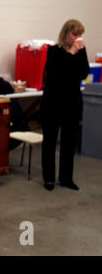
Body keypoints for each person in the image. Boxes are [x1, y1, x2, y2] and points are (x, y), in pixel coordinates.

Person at [41, 19, 89, 191]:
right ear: (66, 33)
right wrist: (72, 52)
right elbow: (57, 74)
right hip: (53, 102)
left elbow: (83, 72)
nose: (77, 38)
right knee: (50, 141)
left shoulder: (81, 52)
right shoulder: (54, 51)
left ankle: (66, 178)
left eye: (80, 35)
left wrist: (77, 52)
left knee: (69, 141)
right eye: (74, 34)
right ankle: (49, 178)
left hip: (72, 102)